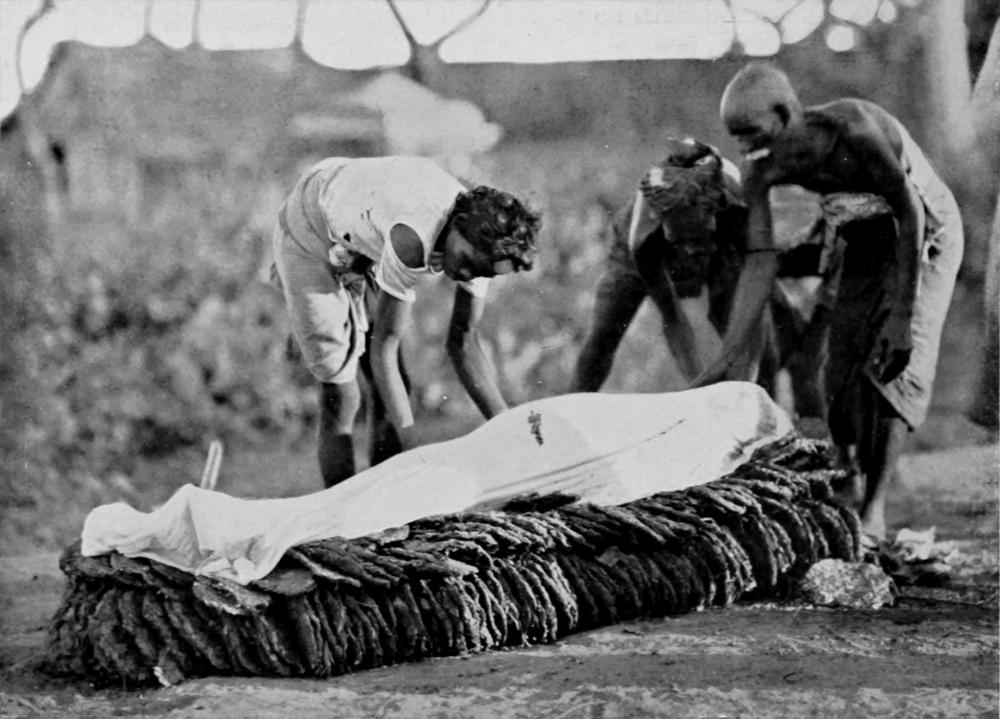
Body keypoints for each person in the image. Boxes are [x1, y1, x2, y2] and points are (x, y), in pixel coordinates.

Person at [694, 62, 965, 540]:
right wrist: (730, 352)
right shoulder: (763, 168)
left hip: (924, 231)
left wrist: (902, 316)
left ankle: (875, 509)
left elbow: (909, 211)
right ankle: (850, 483)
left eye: (750, 132)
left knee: (892, 367)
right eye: (734, 137)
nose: (743, 147)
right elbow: (760, 262)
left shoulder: (854, 131)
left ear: (784, 115)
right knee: (837, 372)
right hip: (860, 236)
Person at [271, 156, 541, 488]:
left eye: (480, 272)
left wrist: (509, 430)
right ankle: (342, 508)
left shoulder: (485, 249)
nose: (467, 274)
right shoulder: (414, 237)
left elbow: (464, 342)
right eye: (467, 262)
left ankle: (386, 498)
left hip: (361, 219)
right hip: (311, 223)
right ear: (459, 225)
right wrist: (417, 458)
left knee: (393, 388)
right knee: (342, 395)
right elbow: (383, 349)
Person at [572, 136, 827, 425]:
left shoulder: (739, 210)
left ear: (715, 210)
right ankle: (567, 419)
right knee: (603, 335)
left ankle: (763, 426)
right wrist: (699, 392)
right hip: (648, 253)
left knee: (765, 353)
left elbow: (752, 313)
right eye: (680, 238)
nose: (689, 250)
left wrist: (742, 382)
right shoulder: (644, 240)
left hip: (721, 247)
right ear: (662, 223)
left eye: (696, 236)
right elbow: (673, 319)